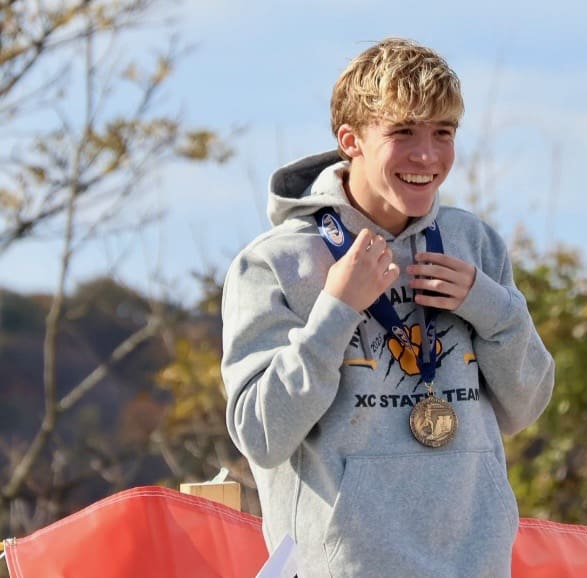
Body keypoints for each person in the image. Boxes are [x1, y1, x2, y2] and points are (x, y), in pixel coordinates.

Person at [221, 37, 555, 578]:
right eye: (403, 132)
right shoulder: (274, 264)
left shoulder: (474, 244)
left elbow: (527, 406)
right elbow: (260, 434)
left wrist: (492, 308)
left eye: (443, 132)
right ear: (350, 140)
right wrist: (337, 309)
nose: (427, 155)